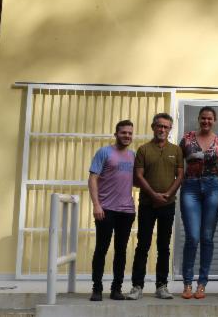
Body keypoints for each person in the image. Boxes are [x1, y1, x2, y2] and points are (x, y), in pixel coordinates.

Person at [126, 113, 184, 300]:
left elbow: (180, 175)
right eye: (159, 126)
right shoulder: (143, 150)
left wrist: (167, 194)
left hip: (168, 204)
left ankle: (162, 286)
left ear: (170, 129)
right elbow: (139, 176)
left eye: (166, 127)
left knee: (164, 246)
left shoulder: (176, 150)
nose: (162, 130)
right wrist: (154, 195)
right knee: (143, 245)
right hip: (147, 204)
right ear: (153, 127)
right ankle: (137, 286)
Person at [87, 120, 136, 302]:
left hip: (127, 211)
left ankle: (117, 289)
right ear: (116, 134)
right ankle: (97, 288)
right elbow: (93, 179)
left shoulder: (133, 156)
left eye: (130, 133)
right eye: (123, 132)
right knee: (101, 249)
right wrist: (96, 205)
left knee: (121, 251)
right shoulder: (104, 152)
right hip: (106, 210)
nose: (127, 136)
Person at [178, 106, 218, 300]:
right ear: (198, 119)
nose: (206, 121)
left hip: (213, 187)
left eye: (209, 119)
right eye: (203, 118)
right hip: (191, 187)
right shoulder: (186, 139)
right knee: (192, 237)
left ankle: (202, 284)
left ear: (215, 120)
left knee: (207, 237)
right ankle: (187, 283)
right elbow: (179, 166)